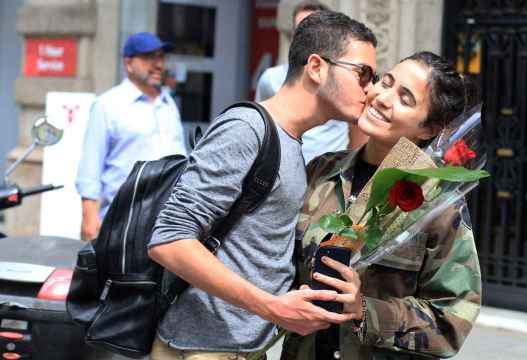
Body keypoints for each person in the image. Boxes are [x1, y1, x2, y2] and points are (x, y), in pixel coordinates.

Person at [147, 11, 378, 360]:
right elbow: (169, 240)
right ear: (316, 67)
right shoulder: (247, 128)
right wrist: (271, 307)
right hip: (201, 349)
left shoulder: (292, 142)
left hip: (241, 349)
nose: (371, 88)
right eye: (363, 73)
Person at [282, 51, 482, 360]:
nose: (383, 98)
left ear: (428, 129)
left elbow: (452, 319)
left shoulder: (436, 202)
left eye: (405, 99)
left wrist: (365, 309)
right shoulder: (321, 171)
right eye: (385, 82)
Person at [76, 32, 186, 241]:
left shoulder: (168, 104)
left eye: (161, 57)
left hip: (168, 221)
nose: (158, 65)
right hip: (122, 220)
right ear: (128, 64)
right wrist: (89, 217)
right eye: (148, 58)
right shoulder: (108, 105)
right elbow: (91, 165)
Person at [255, 1, 368, 163]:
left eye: (312, 31)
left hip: (327, 177)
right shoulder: (270, 78)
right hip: (283, 173)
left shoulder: (343, 80)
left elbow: (358, 129)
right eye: (299, 31)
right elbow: (262, 126)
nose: (305, 38)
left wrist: (345, 172)